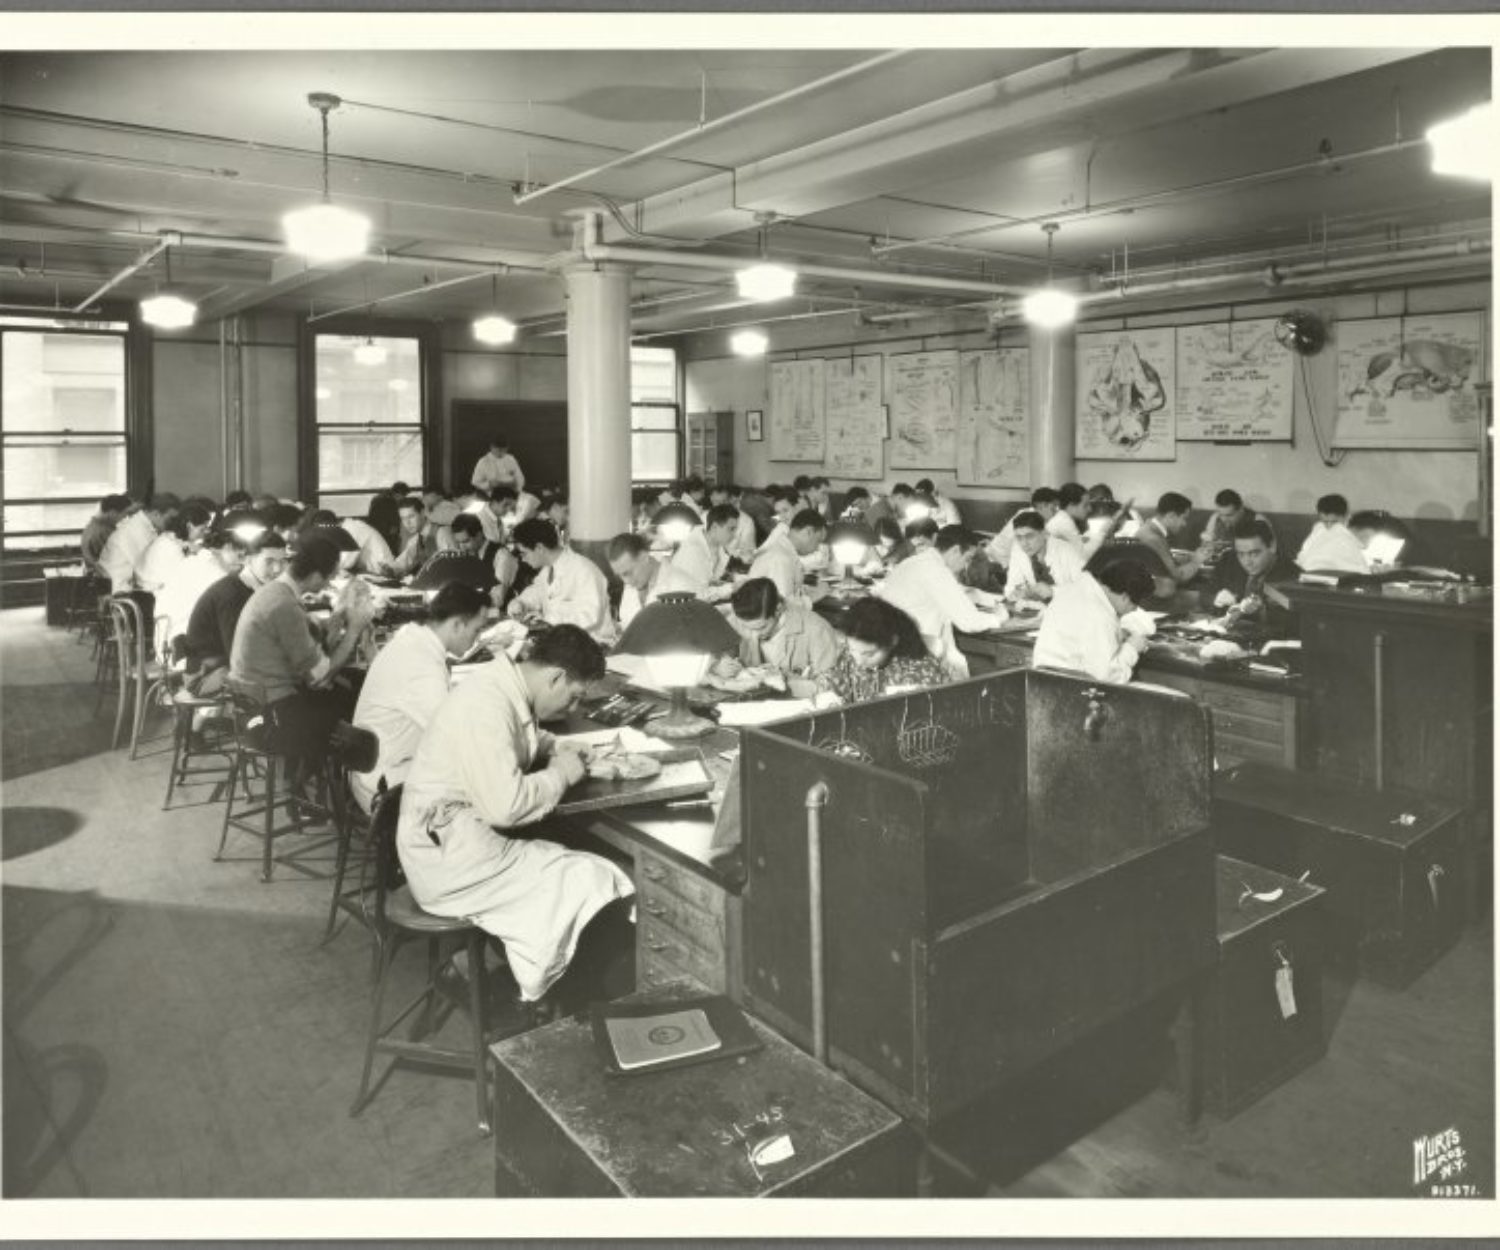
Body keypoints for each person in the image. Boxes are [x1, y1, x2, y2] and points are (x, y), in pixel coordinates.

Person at [397, 625, 635, 1007]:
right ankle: (538, 996)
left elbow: (516, 735)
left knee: (577, 867)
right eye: (573, 698)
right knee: (596, 878)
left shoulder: (501, 685)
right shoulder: (486, 704)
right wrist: (562, 773)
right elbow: (505, 806)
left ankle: (504, 970)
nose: (573, 710)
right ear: (556, 676)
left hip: (449, 839)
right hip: (448, 859)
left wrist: (557, 745)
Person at [229, 533, 379, 765]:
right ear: (316, 574)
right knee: (363, 706)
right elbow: (317, 678)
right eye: (328, 578)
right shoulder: (283, 604)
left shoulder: (276, 591)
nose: (328, 584)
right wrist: (354, 630)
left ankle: (313, 777)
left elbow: (302, 655)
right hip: (271, 718)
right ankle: (343, 786)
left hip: (258, 703)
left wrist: (331, 627)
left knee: (357, 681)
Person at [349, 582, 489, 814]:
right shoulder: (423, 666)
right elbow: (455, 738)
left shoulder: (412, 640)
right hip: (388, 788)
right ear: (456, 625)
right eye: (476, 630)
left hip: (379, 767)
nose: (478, 638)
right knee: (486, 781)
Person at [876, 525, 1004, 676]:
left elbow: (963, 591)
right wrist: (999, 618)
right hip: (916, 658)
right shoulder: (935, 570)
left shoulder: (914, 562)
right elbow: (969, 622)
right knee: (994, 670)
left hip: (894, 650)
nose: (965, 567)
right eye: (967, 559)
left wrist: (998, 599)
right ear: (955, 550)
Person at [183, 532, 288, 693]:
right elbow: (238, 654)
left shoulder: (254, 587)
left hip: (227, 664)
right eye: (269, 561)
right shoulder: (233, 594)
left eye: (283, 561)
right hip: (206, 676)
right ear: (248, 559)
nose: (278, 569)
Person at [1032, 560, 1157, 685]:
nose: (1134, 610)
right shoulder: (1100, 615)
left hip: (1044, 679)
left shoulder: (1078, 588)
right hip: (1071, 689)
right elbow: (1108, 680)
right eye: (1134, 605)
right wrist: (1131, 649)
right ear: (1125, 597)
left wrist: (1117, 635)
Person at [824, 596, 951, 704]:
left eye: (869, 654)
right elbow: (832, 687)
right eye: (852, 650)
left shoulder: (918, 672)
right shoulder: (850, 656)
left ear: (892, 642)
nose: (859, 661)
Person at [508, 518, 613, 642]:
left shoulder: (584, 570)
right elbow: (536, 591)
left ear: (539, 548)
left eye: (524, 553)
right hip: (563, 643)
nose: (523, 559)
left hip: (592, 645)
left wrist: (547, 620)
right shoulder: (547, 570)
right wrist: (521, 603)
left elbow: (591, 617)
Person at [719, 578, 843, 682]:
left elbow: (830, 685)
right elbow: (717, 656)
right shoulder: (738, 619)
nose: (755, 634)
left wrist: (788, 681)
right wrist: (718, 666)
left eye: (761, 627)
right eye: (747, 627)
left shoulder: (817, 630)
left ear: (778, 609)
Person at [157, 525, 247, 646]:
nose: (242, 563)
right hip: (186, 645)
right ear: (223, 549)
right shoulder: (216, 574)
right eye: (239, 556)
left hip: (167, 638)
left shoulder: (191, 561)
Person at [1210, 516, 1301, 635]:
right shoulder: (1228, 561)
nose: (1247, 562)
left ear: (1272, 546)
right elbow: (1206, 594)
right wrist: (1216, 599)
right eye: (1241, 554)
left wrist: (1261, 609)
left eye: (1254, 553)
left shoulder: (1292, 576)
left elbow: (1291, 623)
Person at [607, 532, 703, 628]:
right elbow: (629, 623)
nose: (625, 581)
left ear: (644, 558)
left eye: (627, 573)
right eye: (619, 575)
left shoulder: (682, 586)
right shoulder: (632, 584)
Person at [1132, 492, 1212, 598]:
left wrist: (1190, 557)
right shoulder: (1153, 539)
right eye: (1183, 518)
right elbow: (1177, 577)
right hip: (1151, 599)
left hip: (1149, 592)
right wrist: (1196, 561)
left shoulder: (1147, 529)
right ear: (1171, 516)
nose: (1184, 524)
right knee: (1206, 596)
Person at [99, 492, 180, 595]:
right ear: (156, 514)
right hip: (119, 591)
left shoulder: (142, 525)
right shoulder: (136, 530)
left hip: (129, 585)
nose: (173, 523)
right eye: (170, 519)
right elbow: (145, 571)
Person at [1004, 508, 1086, 603]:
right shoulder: (1018, 551)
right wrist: (1019, 593)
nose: (1024, 544)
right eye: (1019, 537)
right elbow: (1011, 586)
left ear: (1044, 533)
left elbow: (1085, 587)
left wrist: (1053, 591)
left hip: (1069, 605)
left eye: (1029, 536)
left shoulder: (1066, 550)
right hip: (1039, 609)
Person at [748, 508, 824, 602]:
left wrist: (805, 591)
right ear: (808, 532)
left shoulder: (784, 551)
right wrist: (816, 596)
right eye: (818, 541)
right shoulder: (781, 558)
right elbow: (783, 607)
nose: (817, 548)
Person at [986, 487, 1060, 570]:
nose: (1056, 512)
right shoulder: (1026, 519)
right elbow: (1020, 548)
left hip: (1006, 561)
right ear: (1042, 506)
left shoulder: (1039, 519)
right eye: (1054, 508)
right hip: (998, 562)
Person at [1297, 494, 1370, 574]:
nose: (1329, 526)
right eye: (1325, 521)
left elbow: (1360, 556)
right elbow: (1304, 554)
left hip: (1343, 574)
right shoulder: (1319, 528)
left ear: (1346, 516)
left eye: (1334, 522)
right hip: (1313, 573)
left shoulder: (1353, 530)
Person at [389, 497, 443, 578]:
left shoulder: (441, 532)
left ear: (422, 513)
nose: (407, 523)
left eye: (411, 516)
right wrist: (390, 569)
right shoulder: (415, 539)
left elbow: (452, 566)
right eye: (403, 518)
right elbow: (402, 562)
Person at [708, 483, 759, 564]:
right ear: (710, 499)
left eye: (723, 501)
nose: (718, 506)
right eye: (715, 502)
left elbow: (748, 551)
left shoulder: (745, 521)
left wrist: (730, 553)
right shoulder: (704, 516)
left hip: (732, 564)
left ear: (730, 500)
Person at [80, 493, 129, 576]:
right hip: (105, 579)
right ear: (112, 512)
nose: (124, 517)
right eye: (124, 514)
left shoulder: (94, 526)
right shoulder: (102, 532)